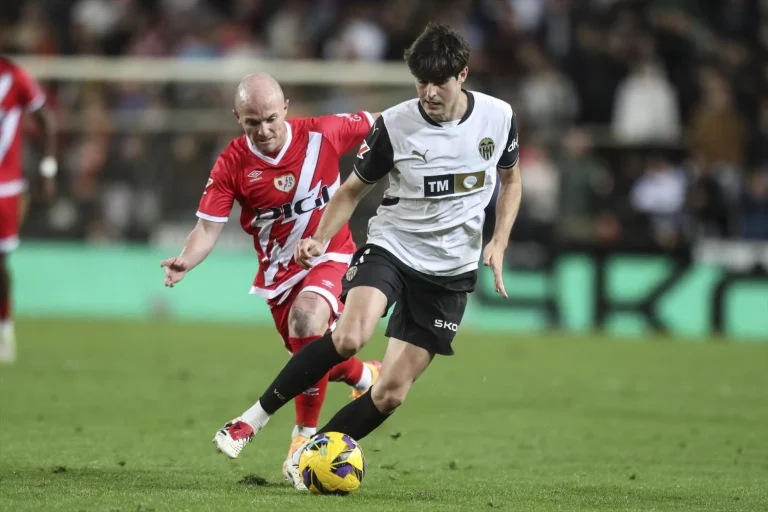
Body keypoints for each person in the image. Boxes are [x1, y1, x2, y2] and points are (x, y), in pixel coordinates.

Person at [212, 23, 523, 489]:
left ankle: (309, 459)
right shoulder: (396, 124)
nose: (429, 93)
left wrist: (499, 241)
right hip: (392, 248)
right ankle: (252, 419)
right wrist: (320, 237)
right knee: (350, 336)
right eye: (420, 82)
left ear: (463, 74)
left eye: (439, 82)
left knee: (392, 393)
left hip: (451, 272)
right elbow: (352, 190)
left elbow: (511, 179)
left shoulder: (498, 117)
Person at [161, 73, 381, 489]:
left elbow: (383, 121)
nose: (263, 130)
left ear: (285, 108)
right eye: (251, 123)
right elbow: (207, 229)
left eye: (269, 119)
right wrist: (186, 260)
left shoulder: (323, 133)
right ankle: (363, 376)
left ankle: (302, 444)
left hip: (332, 254)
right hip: (279, 275)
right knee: (310, 359)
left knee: (307, 322)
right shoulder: (231, 163)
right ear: (237, 119)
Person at [0, 56, 57, 364]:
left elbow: (46, 119)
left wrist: (48, 169)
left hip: (5, 187)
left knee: (0, 265)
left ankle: (5, 328)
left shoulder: (15, 76)